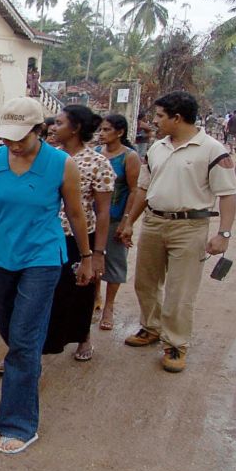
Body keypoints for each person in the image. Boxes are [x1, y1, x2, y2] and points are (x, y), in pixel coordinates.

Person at [0, 97, 94, 454]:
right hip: (2, 257)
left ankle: (19, 424)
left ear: (39, 130)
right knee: (10, 330)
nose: (12, 144)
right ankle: (28, 371)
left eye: (20, 137)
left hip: (42, 259)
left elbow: (75, 214)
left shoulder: (61, 164)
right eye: (7, 137)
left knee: (25, 340)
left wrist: (88, 258)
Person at [118, 91, 236, 373]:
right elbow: (145, 189)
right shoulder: (157, 148)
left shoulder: (212, 150)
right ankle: (151, 327)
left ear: (177, 118)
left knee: (180, 291)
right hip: (154, 222)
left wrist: (224, 234)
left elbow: (228, 194)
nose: (155, 121)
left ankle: (176, 343)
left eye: (160, 116)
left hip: (190, 226)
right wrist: (128, 221)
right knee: (145, 282)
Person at [43, 106, 114, 362]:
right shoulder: (50, 158)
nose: (53, 127)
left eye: (60, 123)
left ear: (75, 129)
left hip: (79, 238)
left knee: (80, 290)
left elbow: (103, 211)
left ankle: (83, 336)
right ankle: (45, 341)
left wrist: (98, 253)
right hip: (49, 236)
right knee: (48, 291)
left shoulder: (97, 163)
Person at [94, 114, 141, 331]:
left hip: (114, 218)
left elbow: (133, 190)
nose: (101, 134)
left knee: (114, 262)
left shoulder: (129, 157)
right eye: (100, 130)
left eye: (106, 130)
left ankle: (109, 306)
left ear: (120, 132)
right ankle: (95, 298)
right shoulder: (95, 154)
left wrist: (126, 220)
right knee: (93, 260)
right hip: (93, 218)